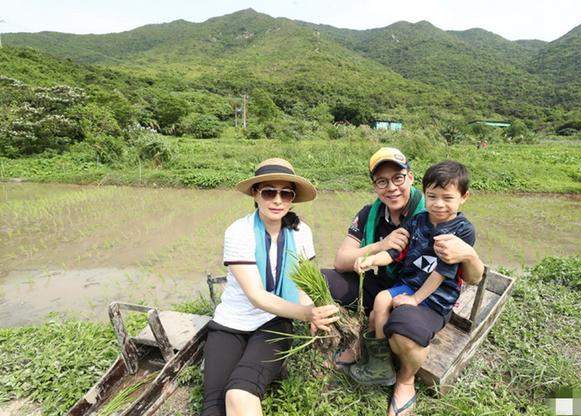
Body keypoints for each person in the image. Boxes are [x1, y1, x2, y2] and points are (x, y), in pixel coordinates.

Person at [322, 148, 484, 416]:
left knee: (402, 327)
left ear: (410, 178)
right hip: (393, 282)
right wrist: (374, 253)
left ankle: (405, 380)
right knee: (349, 288)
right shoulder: (377, 215)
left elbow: (466, 275)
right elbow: (354, 258)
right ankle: (377, 358)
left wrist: (467, 255)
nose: (391, 187)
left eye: (397, 177)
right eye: (382, 181)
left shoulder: (449, 223)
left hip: (427, 292)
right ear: (374, 185)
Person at [201, 158, 339, 416]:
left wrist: (311, 310)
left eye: (286, 193)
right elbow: (255, 295)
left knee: (240, 393)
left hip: (275, 321)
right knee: (213, 407)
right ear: (255, 194)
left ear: (292, 198)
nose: (278, 200)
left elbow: (303, 284)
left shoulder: (301, 233)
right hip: (231, 323)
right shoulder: (239, 231)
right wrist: (306, 314)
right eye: (269, 192)